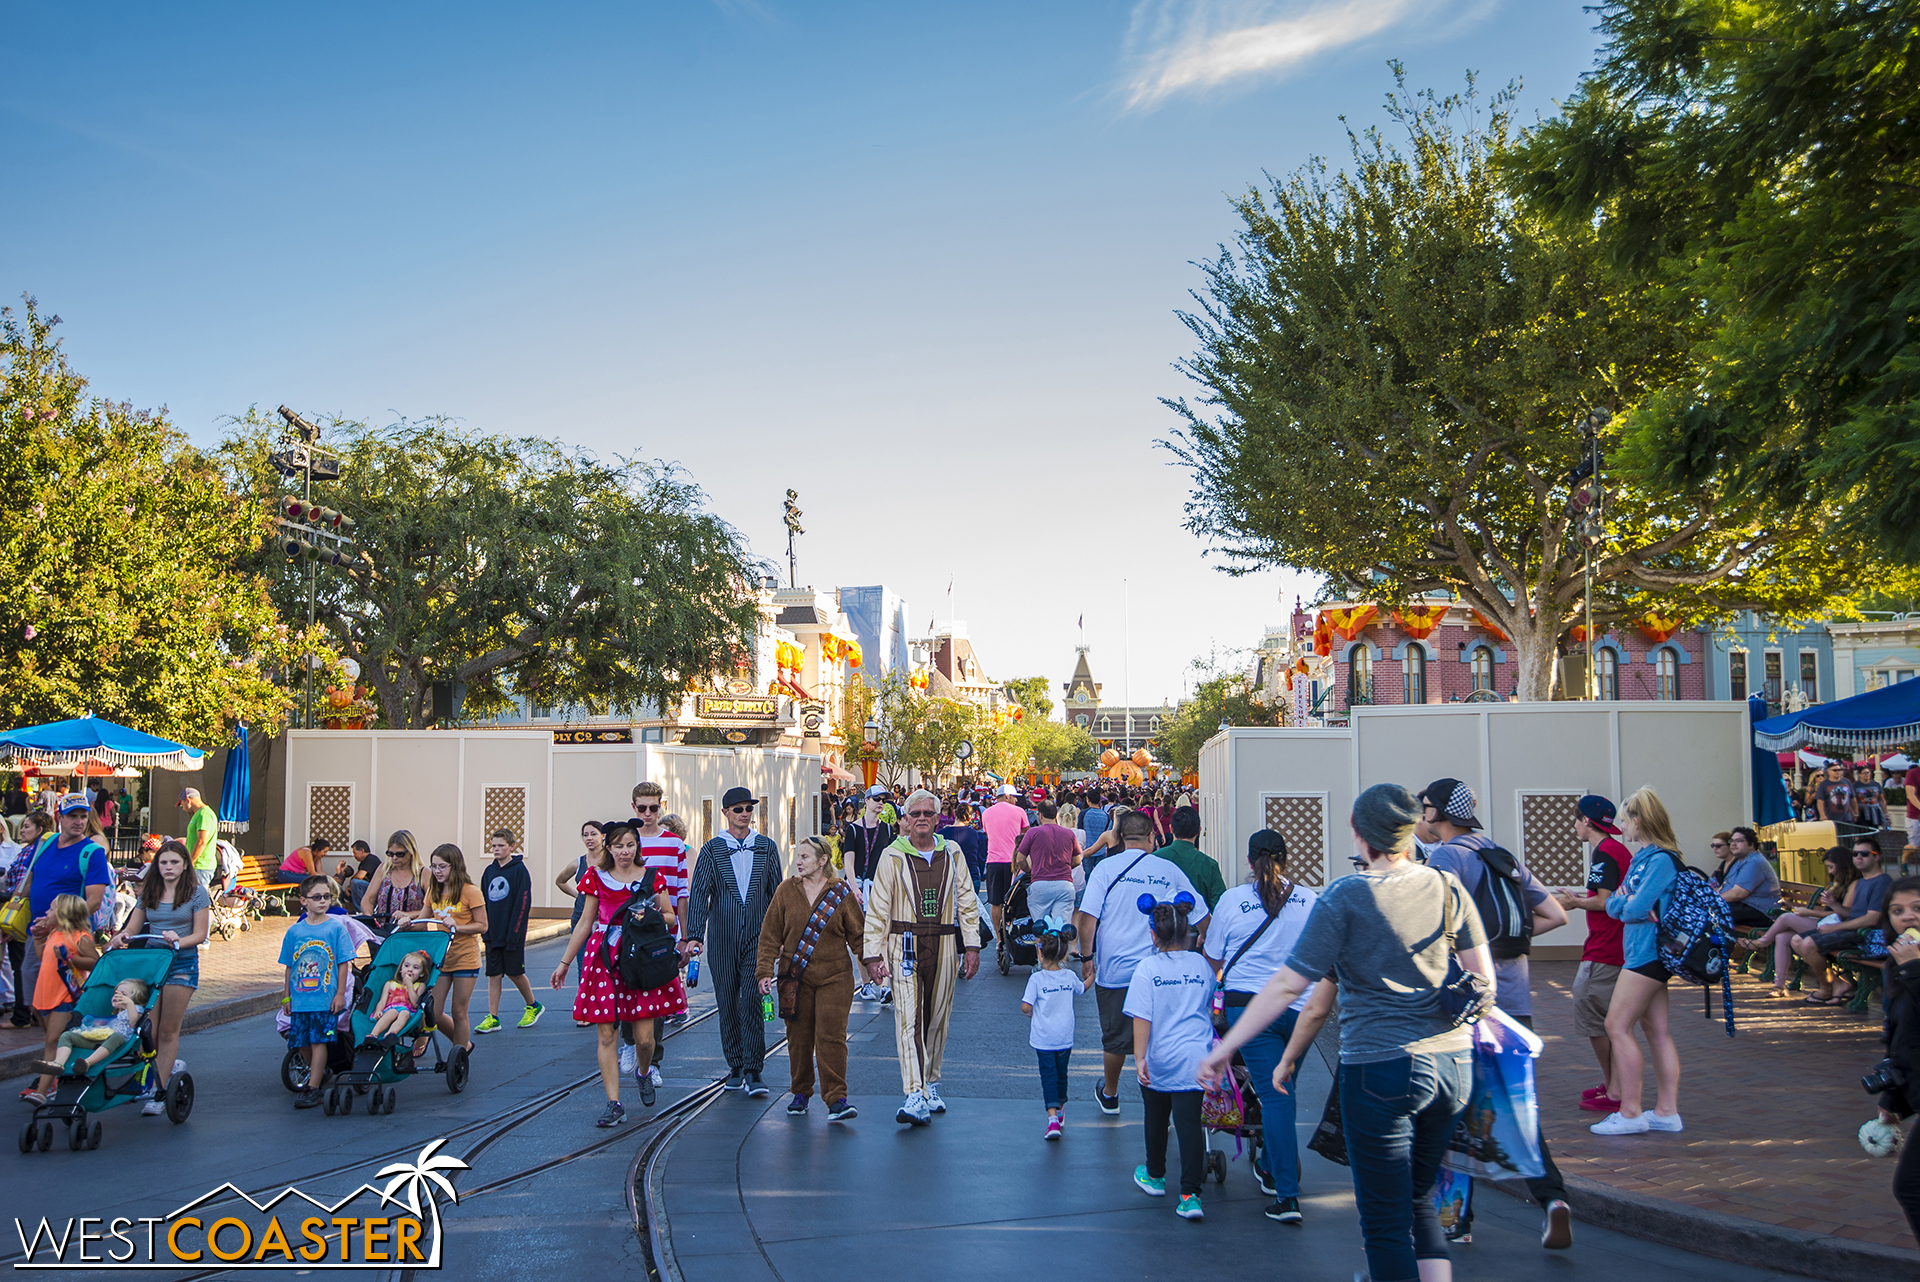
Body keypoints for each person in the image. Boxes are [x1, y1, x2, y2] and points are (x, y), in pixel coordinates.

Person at [1201, 783, 1489, 1282]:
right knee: (1420, 1200)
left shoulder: (1347, 895)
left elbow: (1291, 984)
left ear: (1359, 834)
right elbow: (1481, 979)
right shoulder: (1447, 888)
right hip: (1451, 1067)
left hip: (1379, 1067)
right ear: (1410, 830)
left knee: (1383, 1222)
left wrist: (1225, 1046)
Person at [1417, 777, 1573, 1246]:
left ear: (1441, 813)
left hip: (1466, 1004)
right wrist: (1505, 948)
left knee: (1449, 1106)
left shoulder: (1447, 857)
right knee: (1514, 1108)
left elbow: (1430, 928)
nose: (1422, 816)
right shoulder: (1500, 855)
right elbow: (1555, 916)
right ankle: (1553, 1199)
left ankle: (1454, 1219)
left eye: (1425, 807)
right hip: (1516, 1002)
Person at [1202, 828, 1317, 1223]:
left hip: (1250, 1010)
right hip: (1301, 1008)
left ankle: (1287, 1193)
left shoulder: (1232, 901)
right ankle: (1270, 1164)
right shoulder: (1309, 900)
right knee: (1285, 1089)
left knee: (1274, 1096)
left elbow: (1214, 957)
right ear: (1286, 857)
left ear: (1250, 862)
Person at [1074, 810, 1210, 1117]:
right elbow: (1200, 914)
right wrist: (1207, 944)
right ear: (1151, 837)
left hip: (1116, 970)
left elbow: (1088, 919)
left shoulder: (1106, 869)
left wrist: (1086, 958)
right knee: (1163, 1033)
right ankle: (1168, 1092)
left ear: (1120, 838)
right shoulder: (1168, 870)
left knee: (1115, 1037)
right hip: (1162, 970)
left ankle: (1110, 1093)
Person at [861, 788, 983, 1126]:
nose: (922, 820)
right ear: (905, 819)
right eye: (915, 814)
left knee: (938, 1018)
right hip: (904, 945)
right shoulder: (892, 855)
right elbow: (878, 908)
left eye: (928, 814)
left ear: (937, 817)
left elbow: (968, 901)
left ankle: (930, 1083)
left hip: (944, 943)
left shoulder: (952, 852)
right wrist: (872, 955)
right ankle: (913, 1092)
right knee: (908, 1020)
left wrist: (971, 946)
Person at [550, 822, 683, 1124]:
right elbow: (585, 922)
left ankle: (644, 1071)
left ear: (638, 847)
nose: (625, 851)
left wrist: (649, 914)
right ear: (608, 848)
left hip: (641, 959)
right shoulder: (595, 877)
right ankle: (614, 1103)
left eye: (630, 845)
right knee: (606, 1035)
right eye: (619, 845)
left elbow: (671, 919)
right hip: (605, 959)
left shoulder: (652, 876)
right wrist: (565, 963)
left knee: (645, 1039)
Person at [1591, 786, 1686, 1135]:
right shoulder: (1650, 858)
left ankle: (1630, 1112)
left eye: (1625, 821)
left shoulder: (1658, 860)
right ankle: (1666, 1111)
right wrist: (1624, 903)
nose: (1622, 828)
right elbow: (1621, 905)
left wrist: (1624, 903)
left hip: (1646, 955)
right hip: (1648, 953)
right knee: (1656, 1030)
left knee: (1616, 1026)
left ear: (1639, 821)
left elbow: (1631, 907)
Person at [755, 835, 865, 1121]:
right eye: (798, 856)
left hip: (835, 976)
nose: (798, 861)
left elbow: (858, 935)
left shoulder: (840, 892)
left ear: (823, 860)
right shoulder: (785, 891)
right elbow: (769, 935)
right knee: (799, 1037)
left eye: (805, 856)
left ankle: (837, 1098)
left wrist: (873, 964)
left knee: (832, 1037)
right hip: (795, 977)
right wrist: (764, 970)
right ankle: (801, 1091)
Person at [684, 786, 783, 1096]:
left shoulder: (766, 847)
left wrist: (780, 936)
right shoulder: (712, 849)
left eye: (748, 808)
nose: (744, 813)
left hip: (759, 936)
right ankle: (735, 1065)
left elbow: (777, 894)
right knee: (727, 1001)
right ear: (725, 813)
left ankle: (755, 1069)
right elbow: (699, 893)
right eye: (738, 809)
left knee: (753, 1001)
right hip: (723, 937)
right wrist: (695, 936)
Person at [1126, 893, 1215, 1222]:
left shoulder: (1147, 969)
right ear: (1189, 932)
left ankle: (1155, 1175)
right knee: (1189, 1123)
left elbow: (1141, 1018)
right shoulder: (1202, 966)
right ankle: (1191, 1195)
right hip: (1196, 1057)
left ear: (1153, 934)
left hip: (1159, 1055)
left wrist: (1139, 1058)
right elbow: (1208, 1007)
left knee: (1156, 1116)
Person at [18, 795, 110, 1094]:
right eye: (73, 816)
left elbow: (94, 900)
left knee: (62, 1005)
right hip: (39, 932)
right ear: (61, 817)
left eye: (83, 816)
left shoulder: (91, 852)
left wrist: (56, 921)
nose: (79, 822)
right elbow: (31, 883)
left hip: (69, 939)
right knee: (37, 1000)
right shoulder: (45, 844)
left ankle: (58, 1067)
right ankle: (57, 1058)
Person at [110, 839, 209, 1115]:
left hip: (181, 963)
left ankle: (159, 1089)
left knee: (168, 1030)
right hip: (152, 963)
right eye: (163, 862)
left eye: (174, 862)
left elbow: (200, 934)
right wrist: (122, 936)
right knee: (148, 1030)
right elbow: (133, 926)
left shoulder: (197, 893)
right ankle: (167, 1064)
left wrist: (180, 938)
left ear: (185, 864)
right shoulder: (149, 891)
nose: (168, 867)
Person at [1551, 795, 1630, 1113]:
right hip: (1613, 945)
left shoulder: (1605, 853)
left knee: (1594, 1015)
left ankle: (1616, 1088)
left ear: (1586, 821)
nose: (1574, 825)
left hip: (1605, 948)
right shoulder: (1616, 850)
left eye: (1576, 818)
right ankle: (1614, 1083)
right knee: (1610, 1021)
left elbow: (1603, 901)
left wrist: (1575, 903)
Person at [394, 844, 488, 1059]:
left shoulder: (470, 891)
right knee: (433, 1012)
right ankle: (462, 1046)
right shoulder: (434, 891)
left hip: (465, 958)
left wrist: (457, 926)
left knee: (458, 1010)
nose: (437, 871)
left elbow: (483, 926)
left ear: (454, 866)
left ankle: (459, 1054)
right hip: (441, 958)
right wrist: (408, 921)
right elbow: (424, 921)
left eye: (442, 866)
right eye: (434, 866)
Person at [1739, 846, 1858, 998]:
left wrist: (1809, 912)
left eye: (1831, 867)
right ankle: (1779, 985)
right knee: (1781, 937)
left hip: (1833, 927)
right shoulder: (1837, 884)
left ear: (1842, 865)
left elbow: (1841, 915)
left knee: (1786, 918)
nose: (1829, 872)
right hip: (1822, 922)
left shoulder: (1853, 885)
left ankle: (1762, 942)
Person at [1872, 877, 1920, 1244]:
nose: (1907, 919)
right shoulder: (1900, 965)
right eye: (1897, 911)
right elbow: (1905, 1040)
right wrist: (1892, 1102)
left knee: (1912, 1189)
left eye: (1917, 909)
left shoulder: (1910, 966)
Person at [281, 875, 355, 1109]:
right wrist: (286, 996)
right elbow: (289, 966)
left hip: (325, 997)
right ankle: (319, 1072)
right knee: (301, 1041)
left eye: (326, 897)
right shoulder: (295, 932)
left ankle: (313, 1087)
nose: (323, 901)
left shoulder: (335, 928)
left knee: (318, 1041)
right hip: (301, 999)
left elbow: (344, 963)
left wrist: (340, 993)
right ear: (303, 900)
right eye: (317, 897)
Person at [632, 783, 689, 1087]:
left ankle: (652, 1059)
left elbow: (682, 893)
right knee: (626, 991)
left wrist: (684, 935)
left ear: (661, 806)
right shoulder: (625, 841)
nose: (648, 814)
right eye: (642, 808)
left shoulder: (674, 845)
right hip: (627, 933)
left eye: (654, 808)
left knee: (655, 998)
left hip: (662, 932)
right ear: (633, 808)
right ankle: (630, 1042)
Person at [1792, 835, 1892, 1005]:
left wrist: (1835, 928)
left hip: (1867, 935)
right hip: (1851, 930)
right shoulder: (1860, 882)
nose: (1858, 857)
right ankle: (1836, 984)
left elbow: (1872, 919)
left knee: (1808, 944)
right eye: (1855, 854)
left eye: (1864, 854)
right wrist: (1833, 905)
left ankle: (1825, 989)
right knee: (1796, 940)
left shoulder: (1882, 882)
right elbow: (1850, 913)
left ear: (1877, 857)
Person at [25, 894, 100, 1103]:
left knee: (52, 1041)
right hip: (44, 994)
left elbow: (95, 962)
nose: (47, 913)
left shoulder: (80, 937)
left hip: (64, 996)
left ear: (64, 913)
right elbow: (43, 957)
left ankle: (42, 1090)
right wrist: (38, 937)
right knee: (51, 1040)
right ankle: (58, 1079)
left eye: (51, 909)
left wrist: (70, 958)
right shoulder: (54, 932)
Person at [475, 829, 541, 1034]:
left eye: (501, 846)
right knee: (493, 974)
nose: (496, 849)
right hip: (492, 932)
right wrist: (484, 929)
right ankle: (493, 1017)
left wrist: (515, 933)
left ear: (512, 846)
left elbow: (522, 903)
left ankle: (533, 1005)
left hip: (512, 932)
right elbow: (483, 901)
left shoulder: (519, 871)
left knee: (515, 972)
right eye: (493, 846)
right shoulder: (489, 872)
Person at [1022, 918, 1082, 1140]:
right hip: (1065, 1037)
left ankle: (1052, 1119)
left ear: (1040, 954)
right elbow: (1081, 990)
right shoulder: (1069, 976)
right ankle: (1061, 1106)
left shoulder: (1036, 979)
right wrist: (1092, 976)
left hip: (1043, 1038)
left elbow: (1026, 1006)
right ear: (1065, 954)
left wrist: (1029, 1010)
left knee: (1048, 1075)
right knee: (1061, 1074)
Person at [29, 978, 149, 1078]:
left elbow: (135, 1023)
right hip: (102, 1040)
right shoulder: (117, 1014)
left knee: (116, 1036)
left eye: (124, 994)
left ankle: (87, 1062)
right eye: (116, 993)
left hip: (119, 1042)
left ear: (136, 998)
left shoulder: (136, 1009)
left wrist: (130, 1004)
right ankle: (58, 1063)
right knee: (67, 1035)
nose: (118, 996)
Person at [5, 811, 49, 1027]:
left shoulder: (35, 853)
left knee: (22, 964)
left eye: (27, 827)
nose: (22, 830)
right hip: (23, 912)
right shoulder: (28, 851)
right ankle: (28, 1012)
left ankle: (22, 1014)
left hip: (23, 914)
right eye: (22, 826)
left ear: (40, 830)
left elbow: (23, 886)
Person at [1014, 801, 1081, 927]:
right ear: (1056, 815)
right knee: (1062, 927)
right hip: (1064, 884)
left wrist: (1029, 870)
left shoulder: (1032, 833)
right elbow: (1077, 860)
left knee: (1041, 928)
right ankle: (1062, 944)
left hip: (1040, 884)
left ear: (1040, 816)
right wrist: (1064, 866)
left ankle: (1042, 945)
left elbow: (1020, 859)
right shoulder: (1069, 834)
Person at [981, 783, 1030, 943]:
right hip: (1014, 862)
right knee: (1015, 899)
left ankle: (999, 938)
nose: (1016, 801)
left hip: (993, 861)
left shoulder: (987, 813)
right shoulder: (1019, 812)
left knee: (996, 902)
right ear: (1007, 796)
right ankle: (1013, 933)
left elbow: (988, 834)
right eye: (1014, 797)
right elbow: (1026, 835)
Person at [1157, 807, 1227, 911]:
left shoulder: (1155, 858)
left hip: (1161, 925)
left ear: (1171, 829)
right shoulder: (1210, 865)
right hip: (1198, 925)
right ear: (1199, 830)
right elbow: (1220, 908)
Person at [1708, 826, 1780, 928]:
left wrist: (1711, 900)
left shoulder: (1754, 861)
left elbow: (1738, 894)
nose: (1733, 844)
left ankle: (1716, 943)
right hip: (1745, 907)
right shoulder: (1740, 861)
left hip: (1761, 912)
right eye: (1732, 841)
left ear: (1751, 845)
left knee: (1709, 913)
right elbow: (1727, 887)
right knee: (1703, 910)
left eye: (1739, 841)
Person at [359, 830, 426, 924]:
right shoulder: (384, 869)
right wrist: (368, 917)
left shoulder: (423, 873)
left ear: (411, 851)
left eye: (399, 854)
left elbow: (433, 909)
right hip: (383, 932)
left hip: (412, 933)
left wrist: (409, 914)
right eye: (390, 854)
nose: (394, 858)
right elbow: (368, 899)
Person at [842, 785, 895, 905]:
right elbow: (848, 862)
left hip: (878, 887)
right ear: (866, 800)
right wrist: (854, 889)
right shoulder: (853, 829)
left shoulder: (886, 829)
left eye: (883, 800)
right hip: (856, 887)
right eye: (876, 799)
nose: (880, 802)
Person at [365, 950, 431, 1045]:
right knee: (392, 1012)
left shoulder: (419, 985)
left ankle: (390, 1034)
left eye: (415, 967)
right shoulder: (390, 984)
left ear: (422, 974)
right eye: (407, 966)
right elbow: (382, 1001)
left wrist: (409, 984)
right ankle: (373, 1034)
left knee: (404, 1013)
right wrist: (378, 1010)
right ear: (400, 969)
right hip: (390, 1009)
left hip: (408, 1011)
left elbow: (416, 1004)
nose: (410, 969)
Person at [939, 803, 988, 893]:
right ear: (970, 818)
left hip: (949, 876)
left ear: (955, 814)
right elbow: (979, 857)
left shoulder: (942, 833)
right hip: (971, 874)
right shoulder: (974, 834)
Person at [174, 787, 218, 881]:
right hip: (198, 867)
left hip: (201, 867)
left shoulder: (204, 814)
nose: (183, 809)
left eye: (182, 805)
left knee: (196, 895)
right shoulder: (200, 814)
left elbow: (202, 841)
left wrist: (191, 862)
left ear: (188, 800)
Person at [1815, 760, 1859, 829]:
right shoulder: (1823, 784)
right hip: (1831, 818)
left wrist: (1855, 812)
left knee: (1848, 838)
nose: (1838, 772)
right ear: (1828, 772)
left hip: (1846, 818)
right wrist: (1822, 815)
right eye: (1835, 770)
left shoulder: (1846, 781)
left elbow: (1852, 798)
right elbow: (1820, 801)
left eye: (1840, 770)